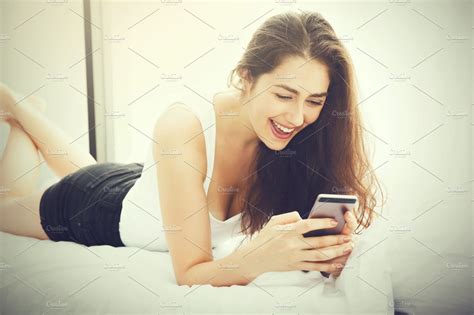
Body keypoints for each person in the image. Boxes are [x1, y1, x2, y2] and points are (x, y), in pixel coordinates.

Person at [0, 10, 383, 287]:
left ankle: (26, 112)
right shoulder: (183, 127)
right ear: (246, 78)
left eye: (315, 101)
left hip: (144, 189)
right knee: (7, 203)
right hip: (93, 208)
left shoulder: (295, 141)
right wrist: (257, 259)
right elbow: (190, 273)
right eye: (284, 94)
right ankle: (17, 110)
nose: (298, 117)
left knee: (88, 166)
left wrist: (323, 248)